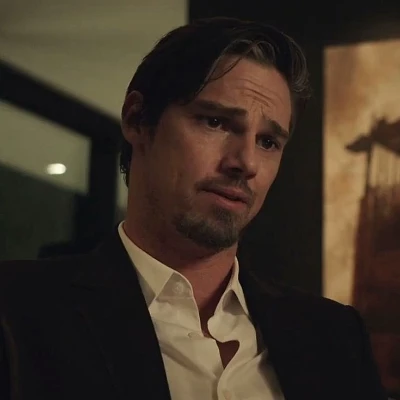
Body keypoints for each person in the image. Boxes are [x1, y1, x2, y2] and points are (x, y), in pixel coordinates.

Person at [0, 17, 386, 400]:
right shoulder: (18, 311)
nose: (246, 162)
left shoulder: (334, 336)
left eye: (268, 142)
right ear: (137, 120)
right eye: (216, 122)